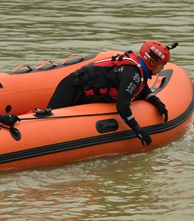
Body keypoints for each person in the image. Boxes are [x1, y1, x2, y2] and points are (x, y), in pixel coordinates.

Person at [45, 40, 175, 146]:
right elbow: (122, 107)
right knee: (47, 121)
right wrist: (138, 130)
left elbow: (142, 89)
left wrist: (157, 102)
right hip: (72, 87)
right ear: (152, 62)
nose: (162, 68)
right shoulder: (132, 74)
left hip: (83, 94)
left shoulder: (137, 72)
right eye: (162, 65)